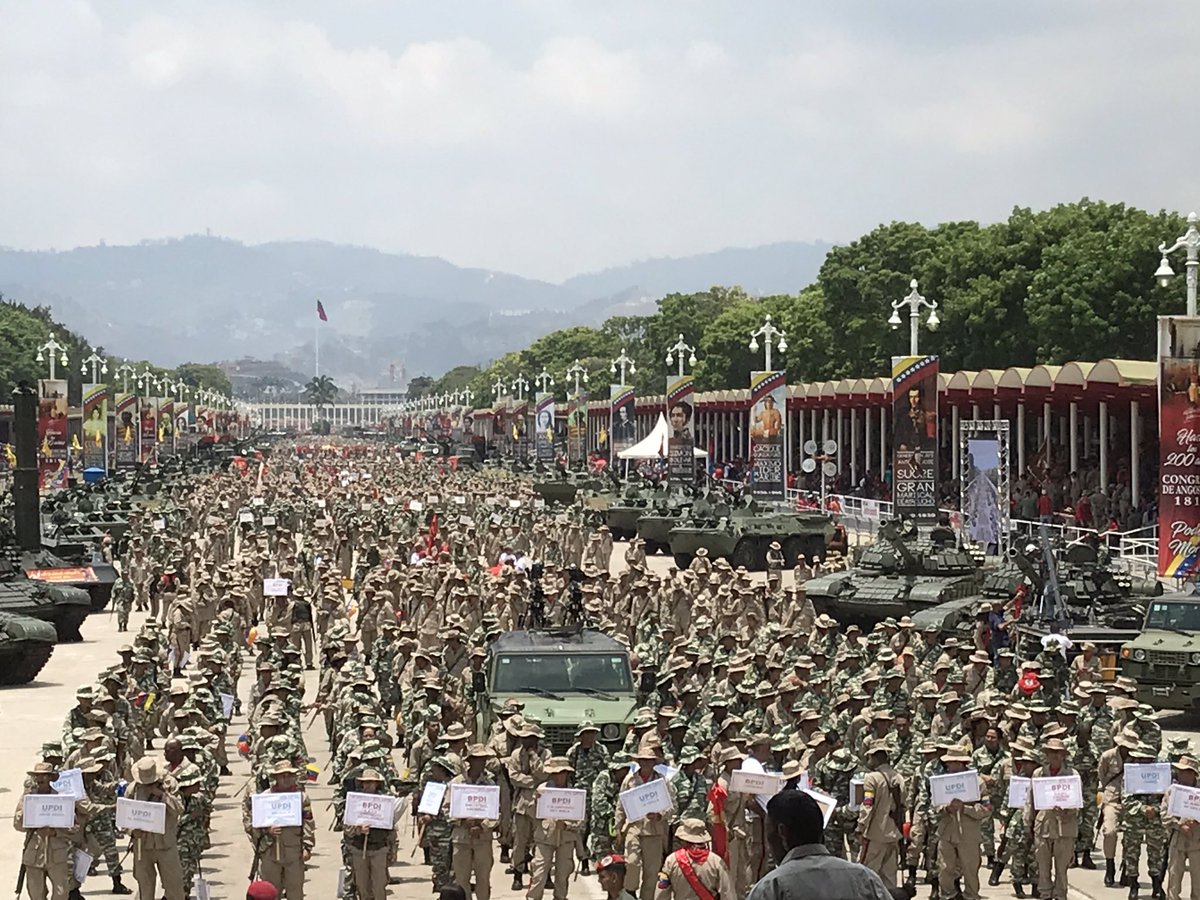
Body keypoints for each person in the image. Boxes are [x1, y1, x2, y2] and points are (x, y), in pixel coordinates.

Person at [749, 791, 893, 900]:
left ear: (782, 832)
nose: (769, 847)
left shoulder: (771, 888)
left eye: (769, 836)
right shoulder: (865, 878)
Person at [1023, 738, 1079, 900]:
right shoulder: (1038, 774)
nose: (1054, 756)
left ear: (1063, 755)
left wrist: (1067, 810)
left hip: (1065, 826)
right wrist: (1028, 825)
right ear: (1046, 755)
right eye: (1051, 752)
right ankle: (1045, 895)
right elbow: (1030, 802)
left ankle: (1061, 895)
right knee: (1043, 868)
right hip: (1043, 826)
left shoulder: (1072, 775)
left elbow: (1077, 803)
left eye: (1058, 753)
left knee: (1062, 870)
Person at [653, 818, 734, 900]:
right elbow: (727, 892)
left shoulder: (672, 860)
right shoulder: (716, 861)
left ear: (683, 839)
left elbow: (662, 892)